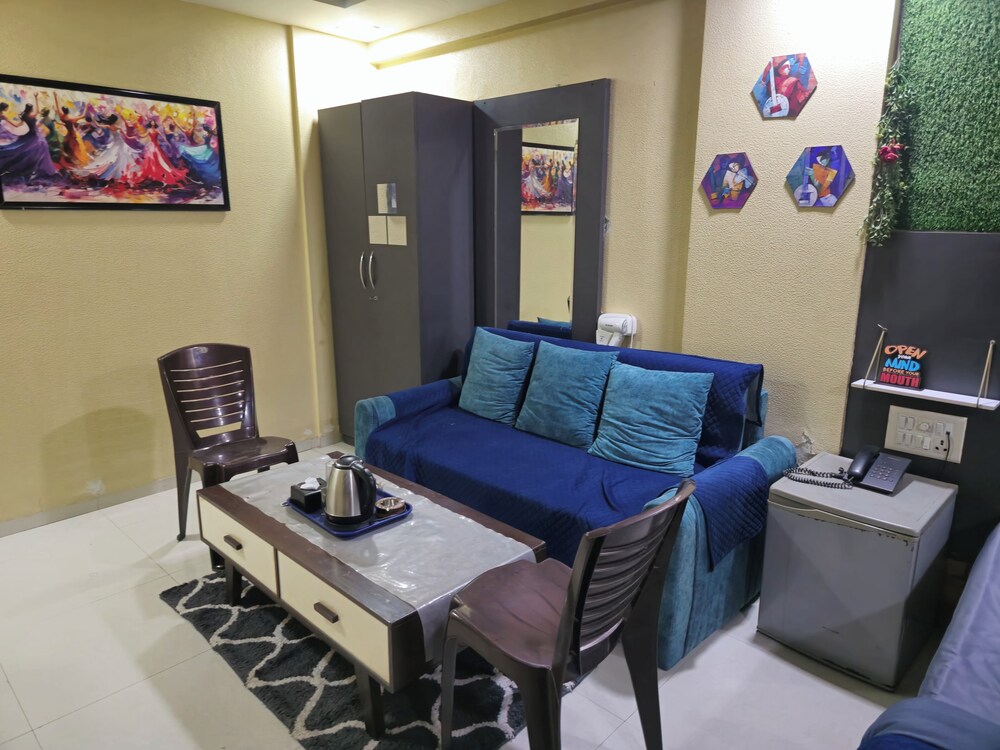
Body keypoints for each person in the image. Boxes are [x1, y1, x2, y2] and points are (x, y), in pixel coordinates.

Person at [0, 100, 59, 180]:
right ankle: (38, 170)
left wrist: (9, 122)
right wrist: (36, 98)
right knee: (41, 148)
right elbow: (37, 112)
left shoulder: (24, 115)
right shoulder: (31, 115)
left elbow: (17, 125)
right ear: (31, 109)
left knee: (30, 151)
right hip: (34, 135)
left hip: (30, 134)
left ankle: (33, 169)